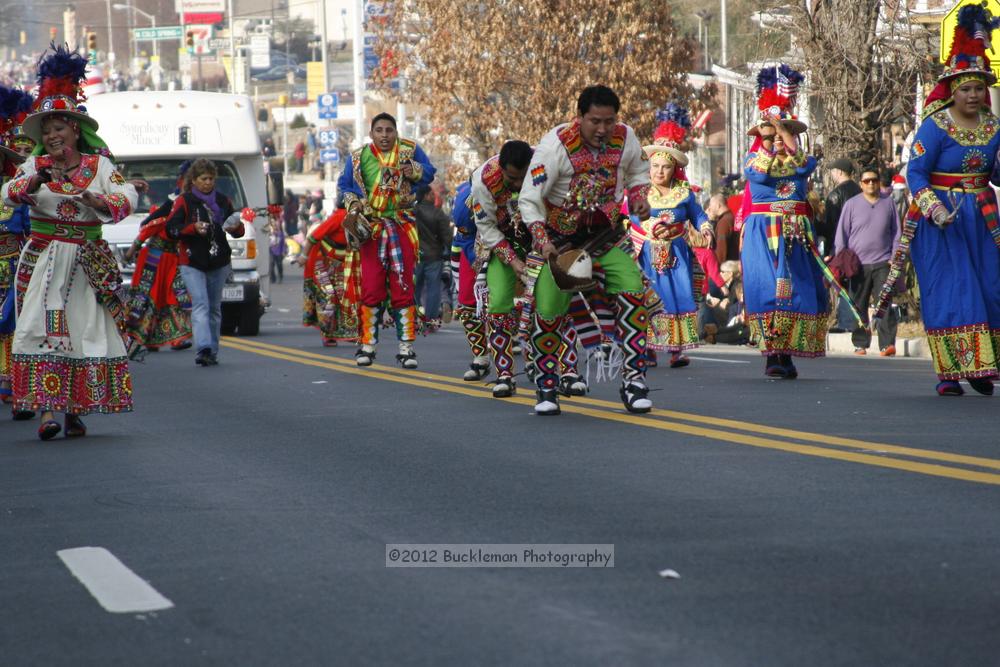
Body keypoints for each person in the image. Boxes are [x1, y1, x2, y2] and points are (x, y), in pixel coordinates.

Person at [2, 46, 138, 439]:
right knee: (40, 329)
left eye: (58, 128)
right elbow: (7, 194)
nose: (52, 136)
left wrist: (100, 201)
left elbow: (127, 195)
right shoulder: (35, 166)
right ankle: (46, 411)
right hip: (43, 259)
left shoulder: (99, 167)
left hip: (87, 261)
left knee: (84, 331)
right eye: (46, 131)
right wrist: (33, 182)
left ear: (75, 130)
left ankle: (75, 410)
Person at [518, 85, 653, 415]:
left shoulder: (626, 138)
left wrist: (638, 196)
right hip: (562, 244)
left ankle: (634, 381)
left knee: (634, 293)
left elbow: (638, 169)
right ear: (579, 118)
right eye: (595, 121)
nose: (603, 129)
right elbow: (530, 198)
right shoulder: (555, 147)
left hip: (605, 237)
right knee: (550, 309)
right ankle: (547, 384)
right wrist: (542, 239)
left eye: (609, 121)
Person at [902, 4, 1000, 396]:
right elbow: (915, 173)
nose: (974, 95)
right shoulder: (935, 125)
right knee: (952, 291)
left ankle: (980, 366)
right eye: (966, 88)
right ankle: (950, 372)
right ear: (953, 90)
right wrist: (935, 209)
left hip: (982, 217)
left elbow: (993, 174)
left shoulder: (994, 127)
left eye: (979, 87)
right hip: (942, 221)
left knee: (989, 288)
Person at [740, 64, 848, 379]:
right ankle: (773, 353)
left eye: (782, 133)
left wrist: (786, 135)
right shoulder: (753, 160)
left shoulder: (801, 160)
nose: (775, 139)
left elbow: (804, 166)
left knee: (796, 289)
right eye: (768, 133)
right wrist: (773, 143)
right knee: (772, 289)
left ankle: (786, 352)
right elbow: (760, 174)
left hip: (796, 233)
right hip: (765, 234)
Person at [337, 112, 436, 368]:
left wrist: (413, 170)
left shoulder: (410, 150)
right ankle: (367, 346)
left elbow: (429, 173)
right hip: (372, 229)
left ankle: (406, 349)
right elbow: (345, 186)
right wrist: (355, 204)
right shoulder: (358, 158)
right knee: (371, 287)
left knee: (403, 286)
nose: (384, 135)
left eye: (389, 130)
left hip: (401, 226)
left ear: (396, 132)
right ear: (371, 134)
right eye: (379, 130)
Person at [629, 105, 713, 369]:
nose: (659, 172)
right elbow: (631, 217)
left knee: (679, 296)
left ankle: (677, 350)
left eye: (665, 167)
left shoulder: (684, 193)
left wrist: (706, 228)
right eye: (655, 166)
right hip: (648, 254)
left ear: (674, 168)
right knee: (652, 298)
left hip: (677, 254)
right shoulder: (640, 191)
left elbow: (697, 214)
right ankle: (649, 350)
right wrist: (650, 227)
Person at [165, 158, 253, 367]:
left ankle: (212, 351)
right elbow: (171, 229)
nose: (208, 183)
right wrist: (192, 228)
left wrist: (236, 228)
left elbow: (236, 229)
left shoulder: (223, 201)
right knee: (201, 304)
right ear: (194, 180)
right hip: (192, 261)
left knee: (214, 307)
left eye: (211, 179)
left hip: (219, 260)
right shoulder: (184, 201)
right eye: (204, 179)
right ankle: (203, 347)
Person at [470, 140, 534, 397]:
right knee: (498, 305)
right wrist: (514, 260)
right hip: (501, 243)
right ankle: (505, 374)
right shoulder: (483, 181)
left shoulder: (545, 168)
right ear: (501, 168)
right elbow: (486, 228)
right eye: (512, 178)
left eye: (523, 177)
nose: (518, 185)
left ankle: (557, 369)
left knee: (549, 304)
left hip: (540, 242)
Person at [123, 161, 193, 353]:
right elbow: (148, 230)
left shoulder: (189, 206)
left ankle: (178, 339)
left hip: (173, 259)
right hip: (154, 259)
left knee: (175, 296)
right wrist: (131, 251)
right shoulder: (170, 209)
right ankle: (146, 338)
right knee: (149, 298)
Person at [834, 167, 901, 356]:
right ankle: (860, 343)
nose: (871, 183)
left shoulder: (888, 203)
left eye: (874, 180)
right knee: (858, 305)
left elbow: (897, 232)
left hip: (883, 262)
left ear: (879, 182)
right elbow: (842, 234)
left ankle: (887, 344)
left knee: (885, 303)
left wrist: (895, 256)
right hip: (858, 264)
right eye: (866, 181)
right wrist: (842, 259)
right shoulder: (851, 204)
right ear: (861, 184)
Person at [0, 85, 35, 421]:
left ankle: (14, 385)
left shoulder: (14, 193)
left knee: (12, 326)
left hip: (13, 264)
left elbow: (27, 228)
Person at [296, 208, 360, 346]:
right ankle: (328, 335)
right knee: (327, 296)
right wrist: (303, 256)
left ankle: (349, 332)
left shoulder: (363, 217)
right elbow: (313, 237)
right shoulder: (339, 217)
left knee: (348, 295)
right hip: (322, 259)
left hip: (344, 260)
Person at [412, 185, 452, 330]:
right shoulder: (438, 214)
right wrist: (449, 251)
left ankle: (413, 318)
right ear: (426, 195)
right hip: (434, 255)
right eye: (431, 193)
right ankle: (430, 320)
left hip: (415, 255)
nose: (434, 196)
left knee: (415, 287)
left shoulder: (412, 212)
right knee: (433, 288)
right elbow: (447, 237)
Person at [819, 158, 860, 258]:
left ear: (839, 172)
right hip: (859, 242)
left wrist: (830, 251)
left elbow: (831, 226)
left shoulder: (835, 195)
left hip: (842, 246)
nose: (832, 175)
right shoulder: (860, 190)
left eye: (833, 171)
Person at [706, 193, 738, 263]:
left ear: (718, 206)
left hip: (727, 267)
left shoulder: (724, 222)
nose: (709, 208)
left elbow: (721, 249)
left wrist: (717, 269)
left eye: (710, 205)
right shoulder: (729, 217)